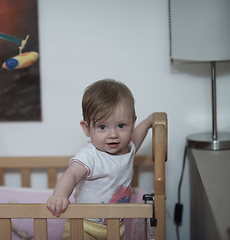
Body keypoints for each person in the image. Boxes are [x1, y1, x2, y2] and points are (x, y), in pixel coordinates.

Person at [46, 79, 153, 240]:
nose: (113, 134)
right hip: (83, 226)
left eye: (121, 125)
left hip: (115, 227)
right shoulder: (90, 155)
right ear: (87, 128)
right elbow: (72, 175)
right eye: (102, 127)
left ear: (132, 123)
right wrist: (60, 195)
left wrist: (148, 122)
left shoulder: (128, 149)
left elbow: (136, 136)